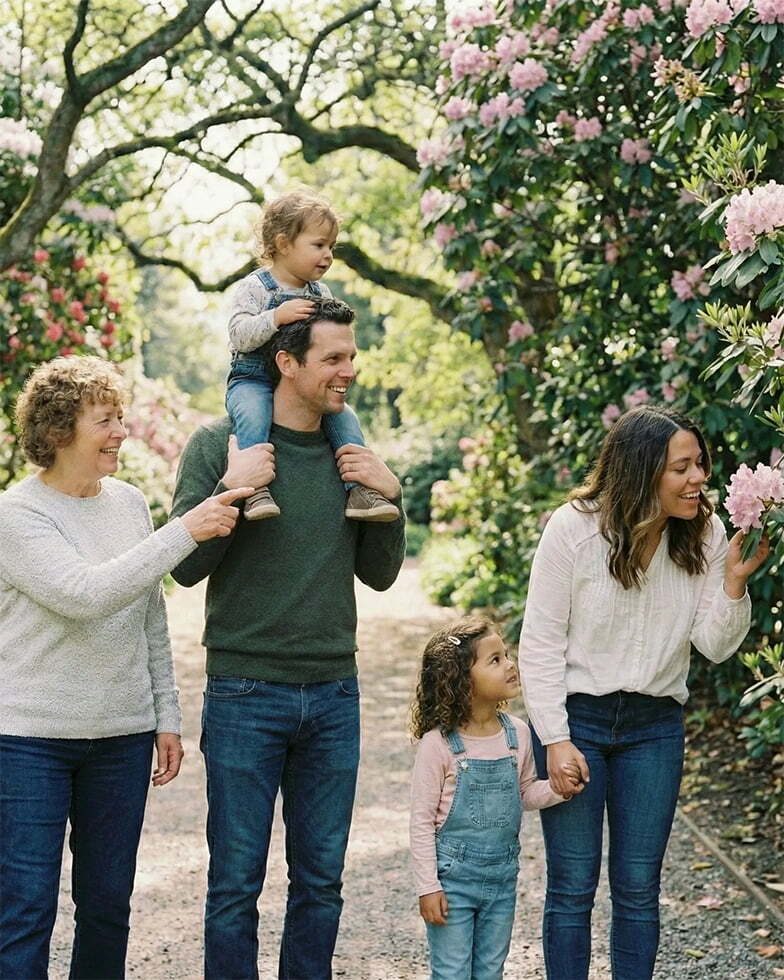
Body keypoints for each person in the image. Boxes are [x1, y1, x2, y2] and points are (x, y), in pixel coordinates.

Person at [169, 297, 406, 980]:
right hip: (245, 694)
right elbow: (185, 569)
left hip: (335, 696)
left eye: (351, 357)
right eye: (334, 358)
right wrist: (231, 490)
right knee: (235, 887)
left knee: (322, 885)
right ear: (286, 362)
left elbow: (382, 575)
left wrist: (393, 496)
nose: (349, 371)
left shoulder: (352, 455)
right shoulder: (220, 446)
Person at [0, 355, 253, 980]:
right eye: (105, 421)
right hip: (29, 740)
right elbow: (85, 594)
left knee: (108, 907)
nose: (121, 432)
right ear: (60, 430)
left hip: (122, 736)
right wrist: (185, 531)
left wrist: (164, 713)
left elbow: (148, 616)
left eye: (122, 418)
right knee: (26, 909)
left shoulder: (129, 503)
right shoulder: (17, 515)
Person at [518, 404, 770, 980]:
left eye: (700, 465)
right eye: (682, 468)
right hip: (575, 722)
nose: (698, 478)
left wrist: (732, 582)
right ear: (641, 471)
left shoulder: (704, 533)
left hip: (654, 727)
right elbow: (539, 645)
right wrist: (554, 740)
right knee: (573, 885)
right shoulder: (574, 529)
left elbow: (714, 645)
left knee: (637, 888)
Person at [409, 617, 580, 980]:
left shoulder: (517, 734)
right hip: (452, 881)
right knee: (453, 972)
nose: (511, 664)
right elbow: (422, 822)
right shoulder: (438, 746)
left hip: (502, 880)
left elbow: (524, 792)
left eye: (507, 655)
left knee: (490, 971)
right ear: (460, 681)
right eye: (495, 660)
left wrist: (557, 789)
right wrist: (428, 887)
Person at [225, 189, 399, 523]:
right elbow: (238, 335)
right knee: (253, 415)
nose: (328, 255)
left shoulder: (322, 293)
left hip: (305, 386)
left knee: (346, 419)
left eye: (332, 246)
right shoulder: (256, 288)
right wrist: (276, 316)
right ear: (283, 243)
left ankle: (360, 491)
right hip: (254, 376)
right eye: (319, 245)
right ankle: (255, 489)